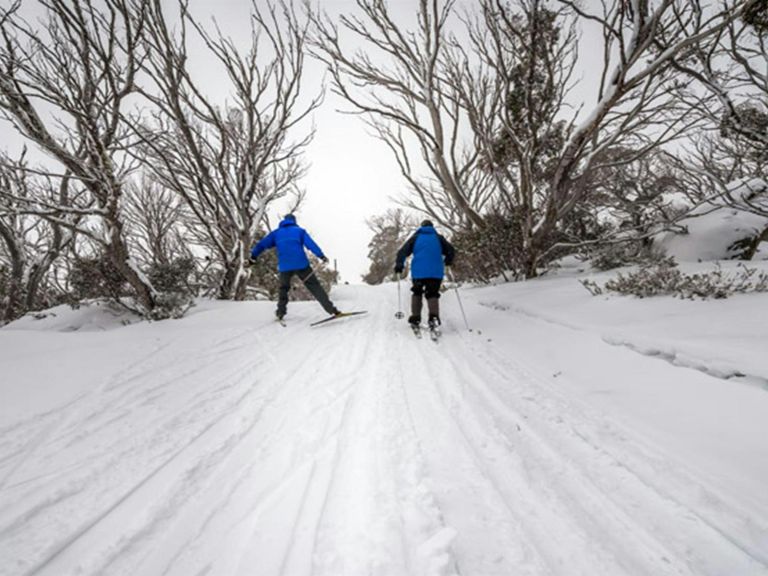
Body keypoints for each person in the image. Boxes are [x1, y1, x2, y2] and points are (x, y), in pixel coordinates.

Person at [250, 214, 340, 321]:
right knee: (315, 287)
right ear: (294, 221)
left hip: (284, 266)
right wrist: (321, 255)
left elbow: (261, 245)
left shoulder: (276, 233)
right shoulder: (299, 231)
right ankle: (332, 310)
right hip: (301, 264)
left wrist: (253, 257)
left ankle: (280, 312)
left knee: (283, 288)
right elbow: (311, 244)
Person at [394, 219, 455, 329]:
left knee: (417, 292)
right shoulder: (438, 238)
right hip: (436, 272)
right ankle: (434, 318)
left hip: (419, 272)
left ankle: (415, 318)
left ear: (421, 227)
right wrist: (448, 261)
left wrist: (399, 265)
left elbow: (402, 252)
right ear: (432, 227)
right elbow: (451, 250)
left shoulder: (416, 237)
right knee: (432, 294)